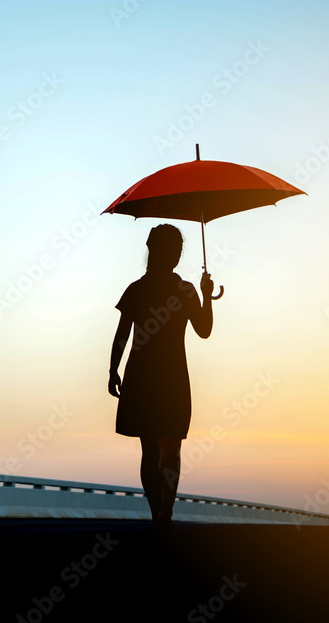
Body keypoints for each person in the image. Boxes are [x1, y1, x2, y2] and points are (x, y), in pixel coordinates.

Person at [107, 224, 213, 538]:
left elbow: (122, 335)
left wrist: (113, 370)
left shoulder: (143, 289)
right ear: (157, 250)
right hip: (165, 375)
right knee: (166, 448)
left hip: (147, 373)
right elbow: (205, 329)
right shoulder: (174, 290)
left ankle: (160, 513)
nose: (176, 254)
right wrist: (206, 297)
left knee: (155, 449)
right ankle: (163, 513)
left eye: (178, 249)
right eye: (173, 248)